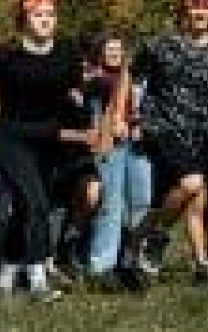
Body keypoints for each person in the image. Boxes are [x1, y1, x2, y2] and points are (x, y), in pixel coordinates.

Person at [0, 0, 96, 303]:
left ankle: (6, 274)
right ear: (24, 18)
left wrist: (82, 115)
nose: (46, 20)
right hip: (11, 138)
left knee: (28, 206)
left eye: (51, 14)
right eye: (38, 15)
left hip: (49, 140)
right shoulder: (5, 53)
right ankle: (37, 278)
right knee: (35, 203)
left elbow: (75, 93)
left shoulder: (67, 53)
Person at [123, 0, 208, 286]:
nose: (201, 12)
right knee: (191, 184)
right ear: (185, 6)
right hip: (161, 128)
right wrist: (126, 116)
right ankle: (156, 238)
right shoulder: (160, 45)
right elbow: (131, 75)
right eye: (196, 5)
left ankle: (193, 262)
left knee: (194, 200)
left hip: (200, 133)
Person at [86, 36, 153, 281]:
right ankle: (102, 264)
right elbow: (95, 113)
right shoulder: (95, 79)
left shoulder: (138, 78)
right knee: (111, 203)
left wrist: (139, 124)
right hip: (110, 145)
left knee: (142, 201)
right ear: (100, 53)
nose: (114, 53)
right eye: (109, 49)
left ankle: (135, 258)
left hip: (138, 143)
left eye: (118, 49)